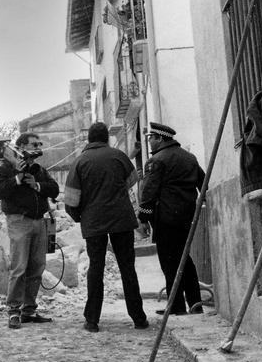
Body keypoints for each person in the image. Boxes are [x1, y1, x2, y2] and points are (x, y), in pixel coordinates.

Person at [63, 123, 149, 332]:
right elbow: (132, 180)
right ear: (106, 138)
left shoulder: (79, 162)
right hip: (121, 220)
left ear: (89, 139)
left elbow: (71, 200)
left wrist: (80, 217)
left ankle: (92, 320)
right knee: (127, 268)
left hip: (94, 222)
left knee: (96, 268)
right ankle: (138, 318)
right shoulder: (119, 156)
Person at [137, 122, 206, 316]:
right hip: (187, 217)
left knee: (169, 262)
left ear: (160, 138)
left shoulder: (156, 161)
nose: (149, 141)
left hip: (166, 219)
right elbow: (203, 183)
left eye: (151, 138)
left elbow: (149, 192)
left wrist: (143, 218)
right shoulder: (189, 158)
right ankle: (195, 304)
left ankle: (176, 306)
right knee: (185, 259)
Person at [0, 132, 60, 329]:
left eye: (39, 144)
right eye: (34, 144)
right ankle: (14, 311)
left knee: (37, 267)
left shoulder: (39, 169)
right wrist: (18, 177)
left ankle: (29, 310)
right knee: (19, 267)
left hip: (40, 221)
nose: (38, 147)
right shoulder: (6, 168)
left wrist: (36, 185)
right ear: (21, 147)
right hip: (19, 221)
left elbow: (54, 189)